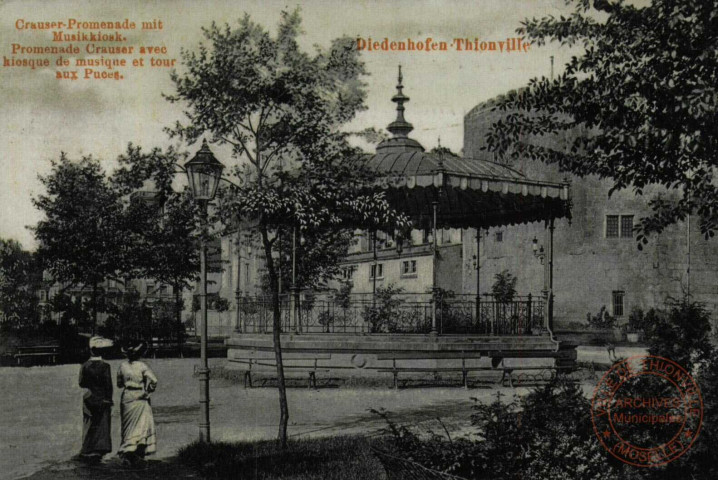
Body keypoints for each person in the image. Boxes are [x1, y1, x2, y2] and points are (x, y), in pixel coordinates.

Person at [117, 342, 158, 465]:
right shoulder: (142, 366)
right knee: (142, 425)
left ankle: (128, 452)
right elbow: (154, 380)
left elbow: (119, 384)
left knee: (128, 426)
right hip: (140, 396)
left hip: (127, 397)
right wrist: (148, 391)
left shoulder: (122, 366)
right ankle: (137, 452)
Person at [78, 336, 114, 463]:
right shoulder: (105, 366)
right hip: (102, 398)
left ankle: (87, 448)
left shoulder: (85, 366)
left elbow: (81, 383)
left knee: (89, 423)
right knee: (102, 424)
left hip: (89, 397)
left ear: (90, 350)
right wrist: (109, 399)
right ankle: (99, 449)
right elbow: (108, 385)